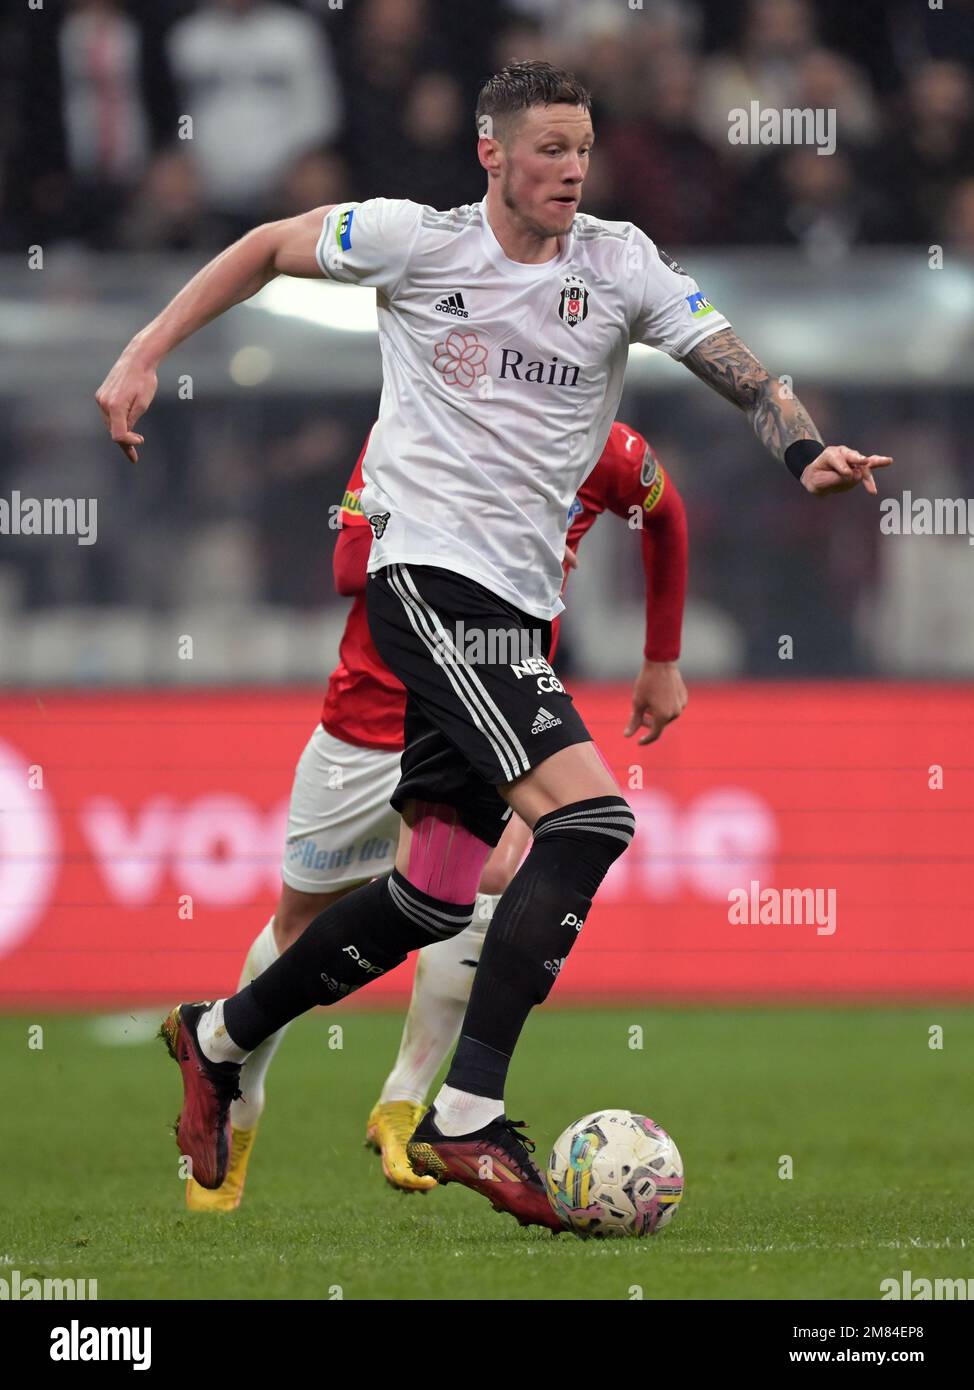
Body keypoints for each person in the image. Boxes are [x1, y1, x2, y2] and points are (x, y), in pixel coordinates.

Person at [95, 60, 891, 1231]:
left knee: (428, 900)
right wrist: (143, 349)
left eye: (583, 148)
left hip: (514, 608)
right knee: (591, 819)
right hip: (425, 579)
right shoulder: (416, 243)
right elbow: (267, 243)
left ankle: (218, 1039)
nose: (572, 169)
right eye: (549, 149)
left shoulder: (616, 263)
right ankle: (464, 1113)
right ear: (491, 154)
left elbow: (732, 363)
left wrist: (800, 447)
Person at [187, 419, 689, 1211]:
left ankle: (409, 1102)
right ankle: (233, 1096)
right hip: (365, 725)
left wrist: (661, 654)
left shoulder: (605, 448)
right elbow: (351, 563)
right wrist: (493, 547)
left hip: (487, 702)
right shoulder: (419, 429)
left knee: (490, 879)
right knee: (301, 925)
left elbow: (666, 513)